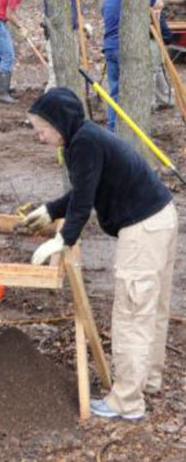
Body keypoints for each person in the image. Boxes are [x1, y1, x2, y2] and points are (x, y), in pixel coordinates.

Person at [21, 87, 177, 422]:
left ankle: (127, 402)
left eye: (41, 129)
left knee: (132, 314)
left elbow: (82, 203)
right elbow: (84, 191)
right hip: (161, 217)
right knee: (152, 306)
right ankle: (147, 379)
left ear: (58, 123)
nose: (40, 137)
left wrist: (63, 238)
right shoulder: (87, 137)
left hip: (144, 229)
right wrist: (50, 210)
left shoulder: (84, 144)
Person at [101, 0, 159, 131]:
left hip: (109, 48)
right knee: (135, 88)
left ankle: (112, 128)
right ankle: (135, 129)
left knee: (115, 91)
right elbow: (158, 2)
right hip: (124, 49)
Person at [45, 0, 92, 91]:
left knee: (72, 75)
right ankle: (46, 109)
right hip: (57, 37)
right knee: (57, 76)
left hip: (71, 34)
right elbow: (56, 12)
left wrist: (82, 27)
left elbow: (73, 12)